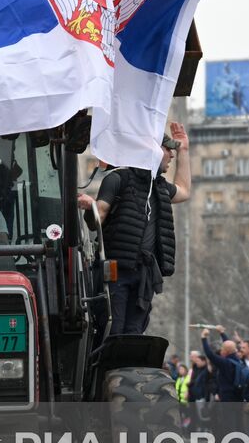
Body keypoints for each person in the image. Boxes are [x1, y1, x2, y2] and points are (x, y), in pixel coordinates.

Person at [78, 124, 191, 340]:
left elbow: (184, 191)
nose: (173, 155)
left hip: (144, 274)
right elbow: (98, 217)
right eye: (170, 150)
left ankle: (128, 371)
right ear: (155, 150)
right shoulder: (118, 178)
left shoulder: (158, 187)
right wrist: (91, 205)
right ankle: (108, 370)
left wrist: (185, 150)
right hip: (116, 271)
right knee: (114, 328)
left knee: (135, 332)